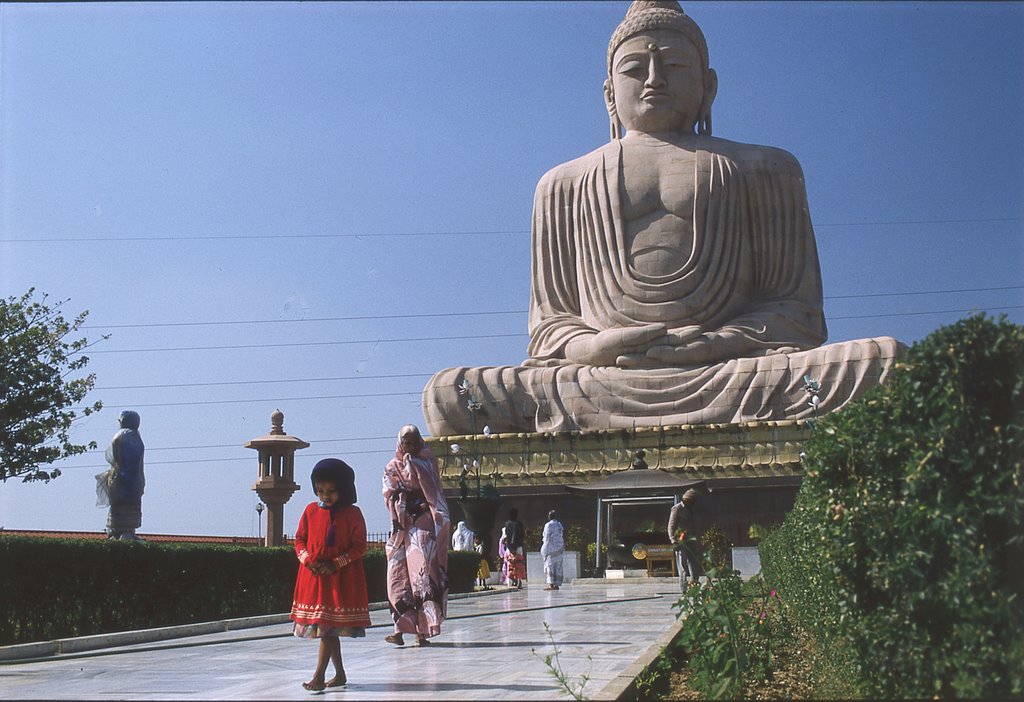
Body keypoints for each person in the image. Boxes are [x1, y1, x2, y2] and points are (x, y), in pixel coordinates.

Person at [421, 0, 904, 435]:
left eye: (674, 65)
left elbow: (795, 314)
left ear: (708, 86)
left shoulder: (765, 168)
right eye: (636, 68)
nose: (654, 79)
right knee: (449, 393)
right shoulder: (561, 184)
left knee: (885, 364)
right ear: (610, 93)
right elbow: (551, 327)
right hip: (598, 377)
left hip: (729, 371)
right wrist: (595, 348)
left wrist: (711, 345)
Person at [290, 458, 371, 692]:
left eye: (331, 491)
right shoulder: (310, 511)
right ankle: (340, 674)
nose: (325, 496)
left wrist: (336, 563)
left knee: (326, 628)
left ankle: (318, 677)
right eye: (321, 491)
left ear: (343, 490)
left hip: (339, 581)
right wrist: (308, 560)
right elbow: (299, 541)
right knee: (327, 628)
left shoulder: (353, 514)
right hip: (314, 580)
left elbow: (358, 546)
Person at [383, 424, 451, 646]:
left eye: (414, 442)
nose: (410, 447)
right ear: (400, 443)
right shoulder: (392, 467)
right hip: (401, 526)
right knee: (397, 576)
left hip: (422, 525)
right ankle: (399, 629)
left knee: (421, 575)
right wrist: (403, 502)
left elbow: (434, 492)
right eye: (406, 442)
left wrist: (421, 503)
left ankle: (423, 631)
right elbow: (389, 493)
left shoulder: (428, 462)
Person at [99, 410, 145, 540]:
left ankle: (119, 531)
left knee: (119, 506)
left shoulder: (120, 436)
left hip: (120, 478)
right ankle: (127, 530)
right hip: (135, 480)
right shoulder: (137, 437)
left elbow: (112, 457)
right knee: (130, 505)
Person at [668, 488, 701, 591]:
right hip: (681, 542)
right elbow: (671, 526)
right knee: (683, 567)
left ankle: (694, 584)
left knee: (694, 564)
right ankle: (684, 589)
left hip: (691, 540)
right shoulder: (676, 509)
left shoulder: (690, 509)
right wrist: (673, 540)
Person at [540, 510, 566, 591]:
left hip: (550, 549)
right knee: (557, 567)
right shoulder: (559, 525)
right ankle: (557, 584)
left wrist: (544, 548)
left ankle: (551, 584)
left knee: (549, 566)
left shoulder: (548, 525)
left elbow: (547, 537)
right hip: (559, 548)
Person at [502, 508, 527, 587]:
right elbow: (523, 535)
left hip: (509, 548)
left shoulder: (507, 524)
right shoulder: (519, 524)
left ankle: (511, 581)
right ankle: (519, 580)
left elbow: (506, 535)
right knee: (519, 563)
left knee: (510, 564)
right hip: (518, 546)